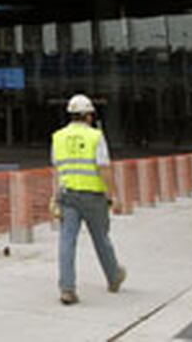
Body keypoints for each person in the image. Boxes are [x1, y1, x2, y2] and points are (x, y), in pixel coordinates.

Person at [51, 93, 126, 305]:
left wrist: (55, 197)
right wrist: (113, 196)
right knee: (101, 238)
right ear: (88, 116)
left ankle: (67, 289)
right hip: (93, 197)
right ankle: (113, 277)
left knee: (67, 241)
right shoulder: (95, 137)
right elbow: (103, 168)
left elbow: (57, 171)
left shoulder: (58, 137)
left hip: (68, 196)